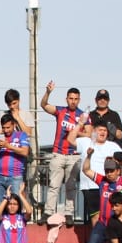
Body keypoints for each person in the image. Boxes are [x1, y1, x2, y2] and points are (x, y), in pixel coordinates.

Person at [40, 82, 90, 225]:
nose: (73, 101)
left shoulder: (83, 116)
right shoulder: (61, 111)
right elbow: (43, 105)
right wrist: (48, 92)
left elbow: (89, 134)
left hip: (74, 155)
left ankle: (69, 213)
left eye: (75, 99)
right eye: (70, 98)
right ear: (66, 99)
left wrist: (75, 131)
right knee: (53, 185)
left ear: (79, 100)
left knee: (70, 186)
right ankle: (48, 212)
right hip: (58, 153)